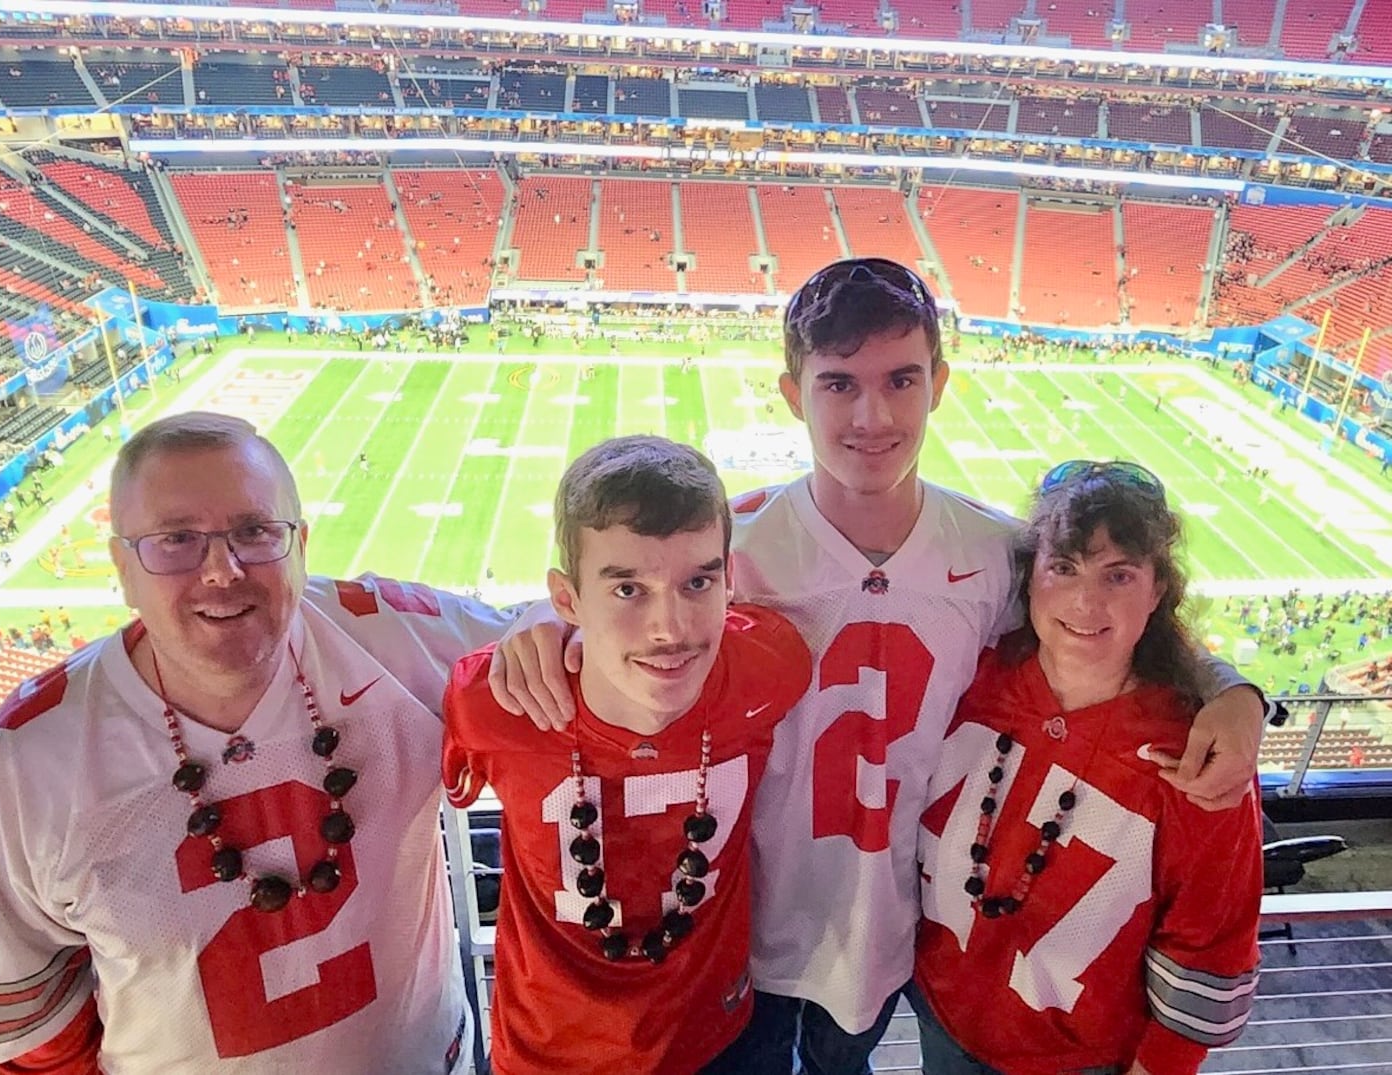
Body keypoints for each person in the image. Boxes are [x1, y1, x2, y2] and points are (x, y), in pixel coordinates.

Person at [490, 258, 1266, 1075]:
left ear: (940, 382)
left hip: (892, 930)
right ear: (793, 394)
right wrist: (542, 625)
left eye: (900, 379)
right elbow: (625, 598)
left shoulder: (997, 553)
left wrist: (1228, 687)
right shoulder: (735, 550)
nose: (872, 413)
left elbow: (1104, 619)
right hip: (733, 922)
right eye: (837, 384)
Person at [0, 412, 519, 1074]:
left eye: (255, 531)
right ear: (122, 566)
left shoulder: (388, 636)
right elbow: (32, 1035)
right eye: (176, 538)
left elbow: (577, 633)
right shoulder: (31, 757)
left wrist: (548, 648)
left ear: (301, 544)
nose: (222, 570)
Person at [443, 436, 812, 1074]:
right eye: (627, 590)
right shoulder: (496, 704)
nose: (669, 628)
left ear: (730, 580)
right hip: (550, 1055)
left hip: (722, 1038)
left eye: (698, 581)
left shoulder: (767, 668)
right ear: (566, 599)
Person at [914, 460, 1262, 1075]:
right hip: (942, 1017)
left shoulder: (1197, 756)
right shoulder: (974, 673)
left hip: (1082, 1060)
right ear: (1031, 580)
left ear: (1158, 592)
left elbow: (1211, 938)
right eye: (1064, 567)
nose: (1085, 600)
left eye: (1118, 575)